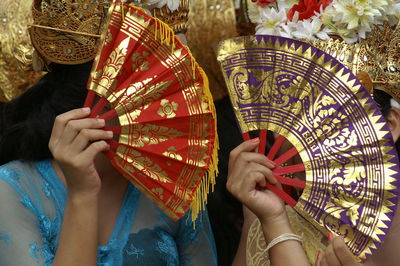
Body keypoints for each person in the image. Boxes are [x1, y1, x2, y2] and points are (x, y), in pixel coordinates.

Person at [0, 0, 217, 265]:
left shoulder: (171, 185)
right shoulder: (12, 188)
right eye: (157, 87)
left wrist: (260, 218)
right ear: (104, 92)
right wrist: (82, 195)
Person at [226, 88, 400, 266]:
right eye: (288, 119)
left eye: (325, 114)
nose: (305, 137)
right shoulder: (266, 220)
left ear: (387, 125)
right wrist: (270, 221)